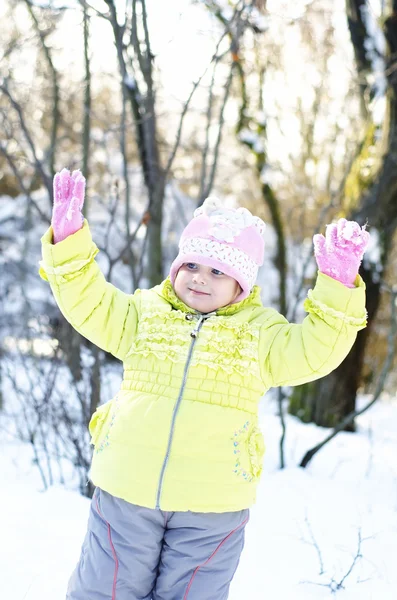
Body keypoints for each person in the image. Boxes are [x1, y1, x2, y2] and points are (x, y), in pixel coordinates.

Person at [40, 168, 369, 600]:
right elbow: (89, 301)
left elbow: (316, 350)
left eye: (217, 271)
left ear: (241, 284)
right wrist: (68, 243)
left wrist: (338, 288)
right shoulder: (143, 315)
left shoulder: (260, 335)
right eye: (191, 265)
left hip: (213, 505)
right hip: (127, 490)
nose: (199, 277)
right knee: (105, 589)